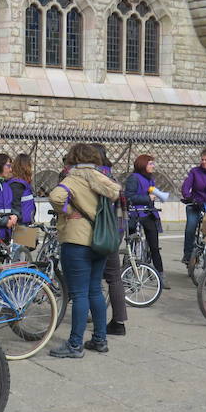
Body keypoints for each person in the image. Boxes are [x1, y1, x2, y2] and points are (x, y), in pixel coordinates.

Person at [48, 143, 120, 358]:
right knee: (95, 290)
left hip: (77, 239)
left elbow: (55, 196)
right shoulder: (101, 177)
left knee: (79, 294)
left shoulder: (73, 177)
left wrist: (69, 211)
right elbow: (116, 192)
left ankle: (75, 344)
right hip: (99, 240)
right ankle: (99, 339)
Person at [90, 143, 127, 336]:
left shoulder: (92, 176)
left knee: (92, 277)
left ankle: (96, 323)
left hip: (97, 232)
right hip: (115, 231)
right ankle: (119, 322)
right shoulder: (112, 176)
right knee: (114, 277)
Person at [124, 154, 169, 289]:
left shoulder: (150, 179)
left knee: (154, 247)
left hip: (148, 214)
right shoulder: (134, 178)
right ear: (143, 165)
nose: (153, 166)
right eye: (150, 163)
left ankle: (160, 275)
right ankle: (127, 273)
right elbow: (129, 197)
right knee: (131, 247)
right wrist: (147, 198)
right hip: (136, 214)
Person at [10, 153, 36, 225]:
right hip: (21, 224)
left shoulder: (23, 183)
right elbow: (15, 206)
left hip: (27, 221)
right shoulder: (16, 184)